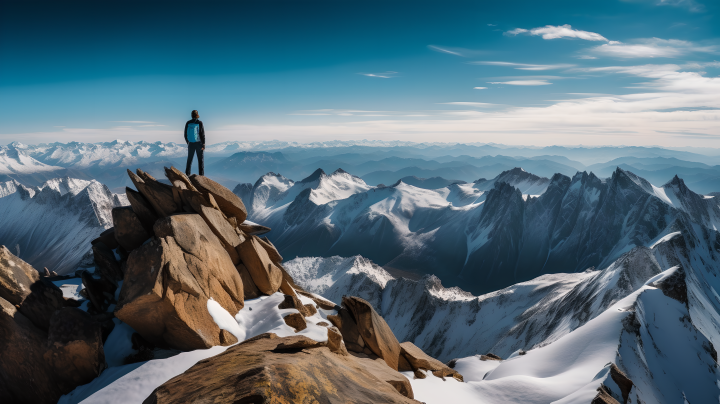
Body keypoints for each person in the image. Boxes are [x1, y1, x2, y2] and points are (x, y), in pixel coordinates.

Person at [184, 110, 206, 175]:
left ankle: (187, 174)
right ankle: (201, 176)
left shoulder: (188, 123)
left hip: (191, 144)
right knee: (200, 161)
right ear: (197, 115)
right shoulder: (200, 122)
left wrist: (188, 142)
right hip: (199, 143)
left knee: (189, 160)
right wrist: (203, 144)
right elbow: (202, 134)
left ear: (191, 115)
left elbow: (185, 134)